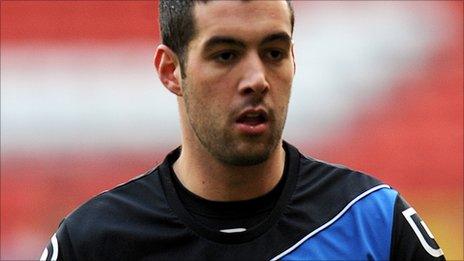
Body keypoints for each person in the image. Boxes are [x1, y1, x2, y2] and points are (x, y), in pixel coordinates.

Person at [41, 1, 445, 260]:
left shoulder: (370, 220)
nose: (257, 79)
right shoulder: (95, 242)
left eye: (273, 53)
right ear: (171, 71)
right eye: (226, 55)